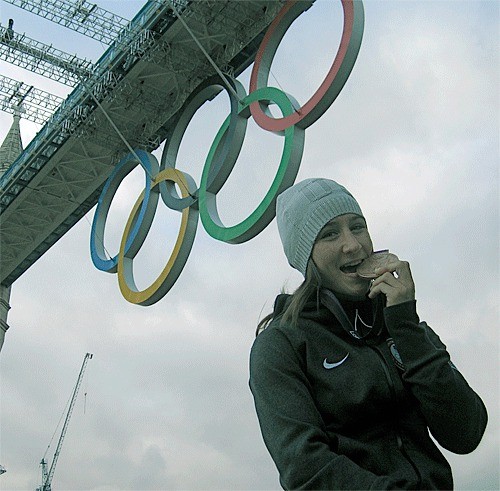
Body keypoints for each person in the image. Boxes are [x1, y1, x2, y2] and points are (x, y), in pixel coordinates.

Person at [249, 178, 487, 490]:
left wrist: (406, 327)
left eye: (357, 227)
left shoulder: (400, 323)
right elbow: (305, 469)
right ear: (307, 257)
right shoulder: (280, 345)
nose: (353, 244)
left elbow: (465, 432)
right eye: (330, 234)